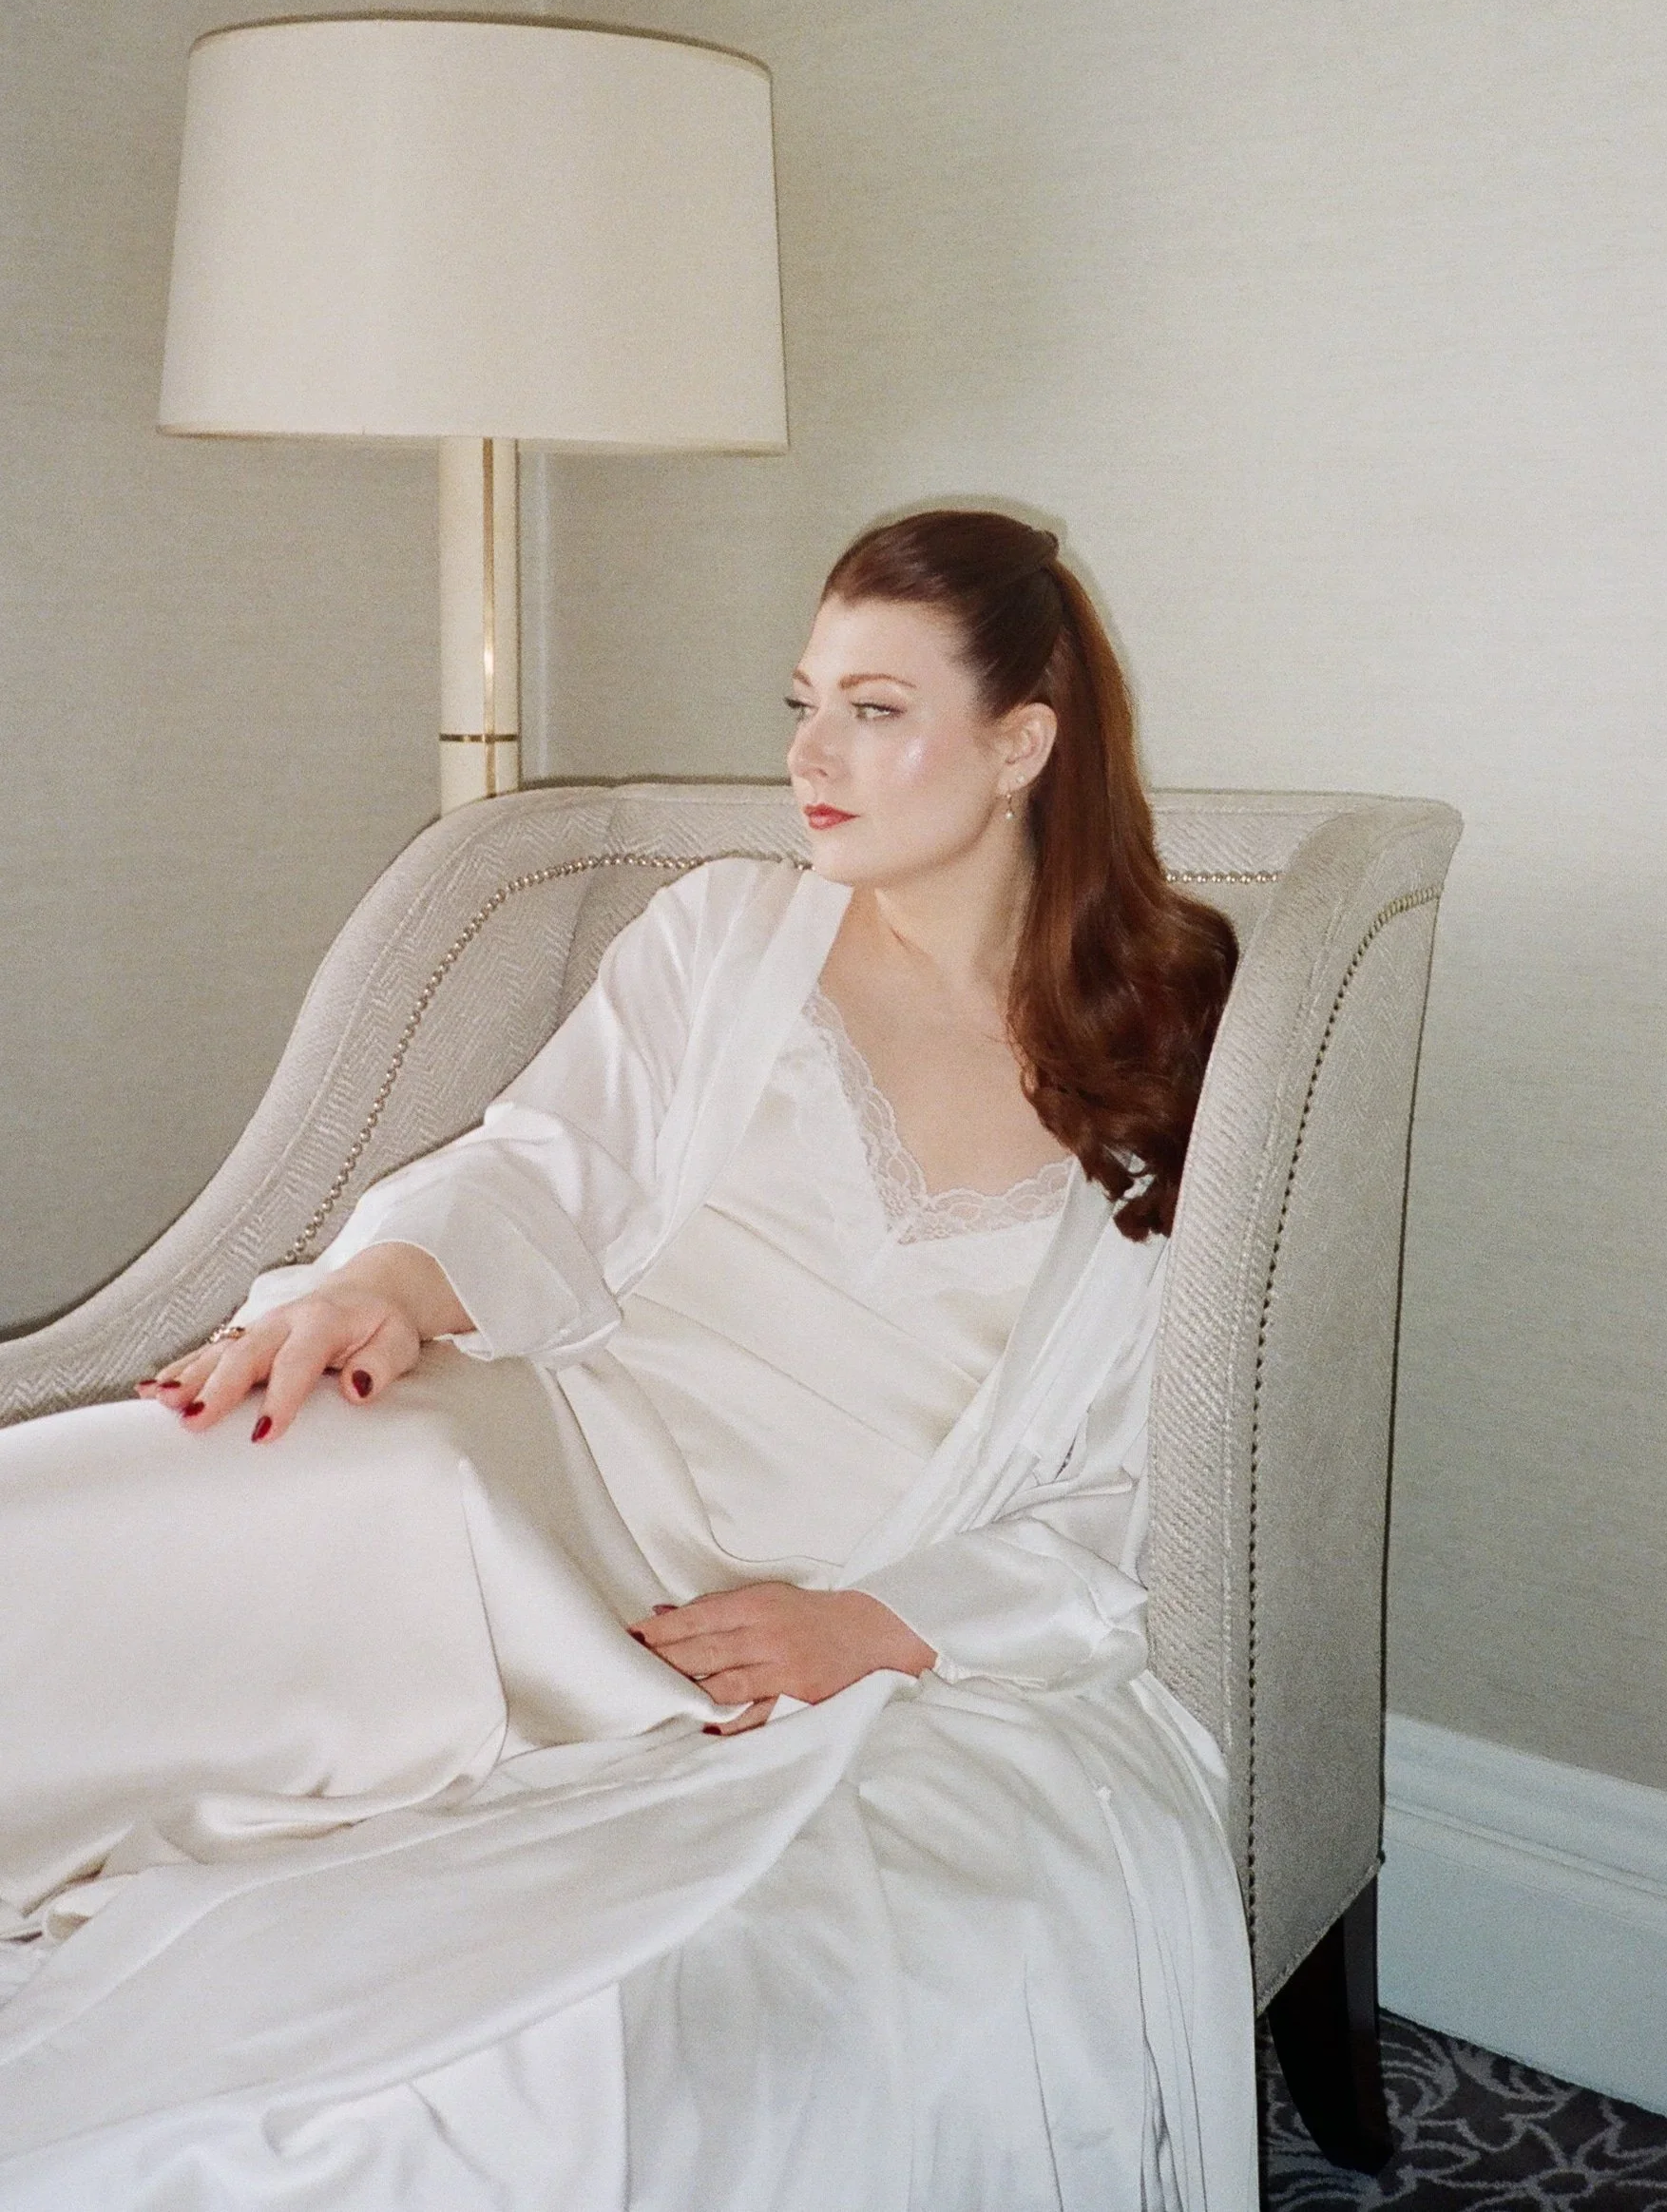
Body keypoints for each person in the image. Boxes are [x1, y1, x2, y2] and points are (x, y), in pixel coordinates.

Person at [0, 509, 1255, 2212]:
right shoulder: (727, 937)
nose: (807, 756)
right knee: (142, 1493)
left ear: (1022, 743)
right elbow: (545, 1171)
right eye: (801, 702)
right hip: (562, 1490)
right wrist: (385, 1279)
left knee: (551, 2052)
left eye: (874, 711)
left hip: (840, 1609)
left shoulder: (1193, 1031)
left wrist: (884, 1624)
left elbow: (1174, 1439)